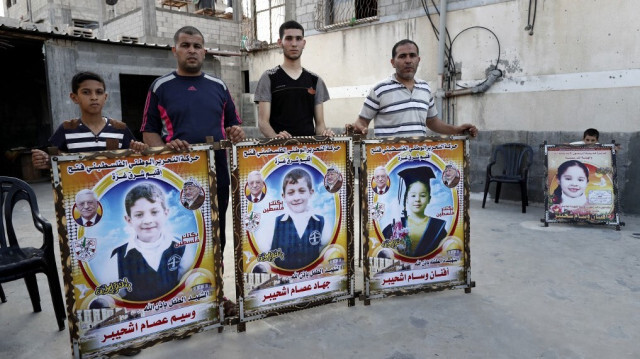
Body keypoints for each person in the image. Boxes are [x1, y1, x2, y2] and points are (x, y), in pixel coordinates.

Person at [140, 25, 245, 255]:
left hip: (218, 173)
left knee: (216, 232)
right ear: (174, 50)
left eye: (197, 46)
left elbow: (233, 126)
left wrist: (236, 132)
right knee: (180, 233)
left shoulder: (219, 86)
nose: (192, 50)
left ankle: (216, 288)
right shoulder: (160, 86)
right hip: (175, 177)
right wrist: (165, 149)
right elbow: (148, 131)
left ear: (204, 51)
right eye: (185, 45)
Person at [349, 39, 478, 138]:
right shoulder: (380, 89)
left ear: (418, 60)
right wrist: (360, 128)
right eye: (402, 56)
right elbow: (362, 120)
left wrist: (457, 130)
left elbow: (432, 121)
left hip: (418, 157)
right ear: (393, 62)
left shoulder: (425, 88)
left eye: (412, 55)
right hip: (388, 161)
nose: (408, 60)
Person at [31, 71, 147, 169]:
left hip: (112, 192)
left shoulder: (120, 129)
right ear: (74, 97)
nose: (94, 97)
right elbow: (53, 159)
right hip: (78, 193)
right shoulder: (67, 129)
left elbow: (134, 158)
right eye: (86, 92)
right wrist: (44, 159)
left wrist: (140, 149)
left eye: (99, 92)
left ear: (105, 97)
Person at [111, 182, 194, 302]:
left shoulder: (182, 247)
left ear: (166, 213)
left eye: (154, 212)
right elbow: (119, 295)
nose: (148, 220)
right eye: (139, 215)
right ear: (129, 220)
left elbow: (186, 282)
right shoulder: (118, 255)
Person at [254, 20, 334, 139]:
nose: (294, 44)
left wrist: (325, 134)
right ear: (280, 42)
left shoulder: (316, 80)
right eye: (289, 38)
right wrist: (277, 139)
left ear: (304, 43)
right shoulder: (269, 78)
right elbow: (263, 122)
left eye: (298, 39)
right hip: (278, 153)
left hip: (309, 152)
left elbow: (320, 124)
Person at [270, 168, 330, 269]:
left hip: (312, 281)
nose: (296, 197)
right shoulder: (274, 223)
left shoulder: (322, 222)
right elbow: (267, 257)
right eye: (291, 192)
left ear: (311, 192)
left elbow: (326, 253)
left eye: (302, 191)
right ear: (283, 196)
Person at [382, 166, 447, 257]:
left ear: (429, 199)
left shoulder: (438, 227)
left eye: (423, 195)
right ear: (406, 199)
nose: (417, 200)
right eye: (413, 195)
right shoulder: (394, 226)